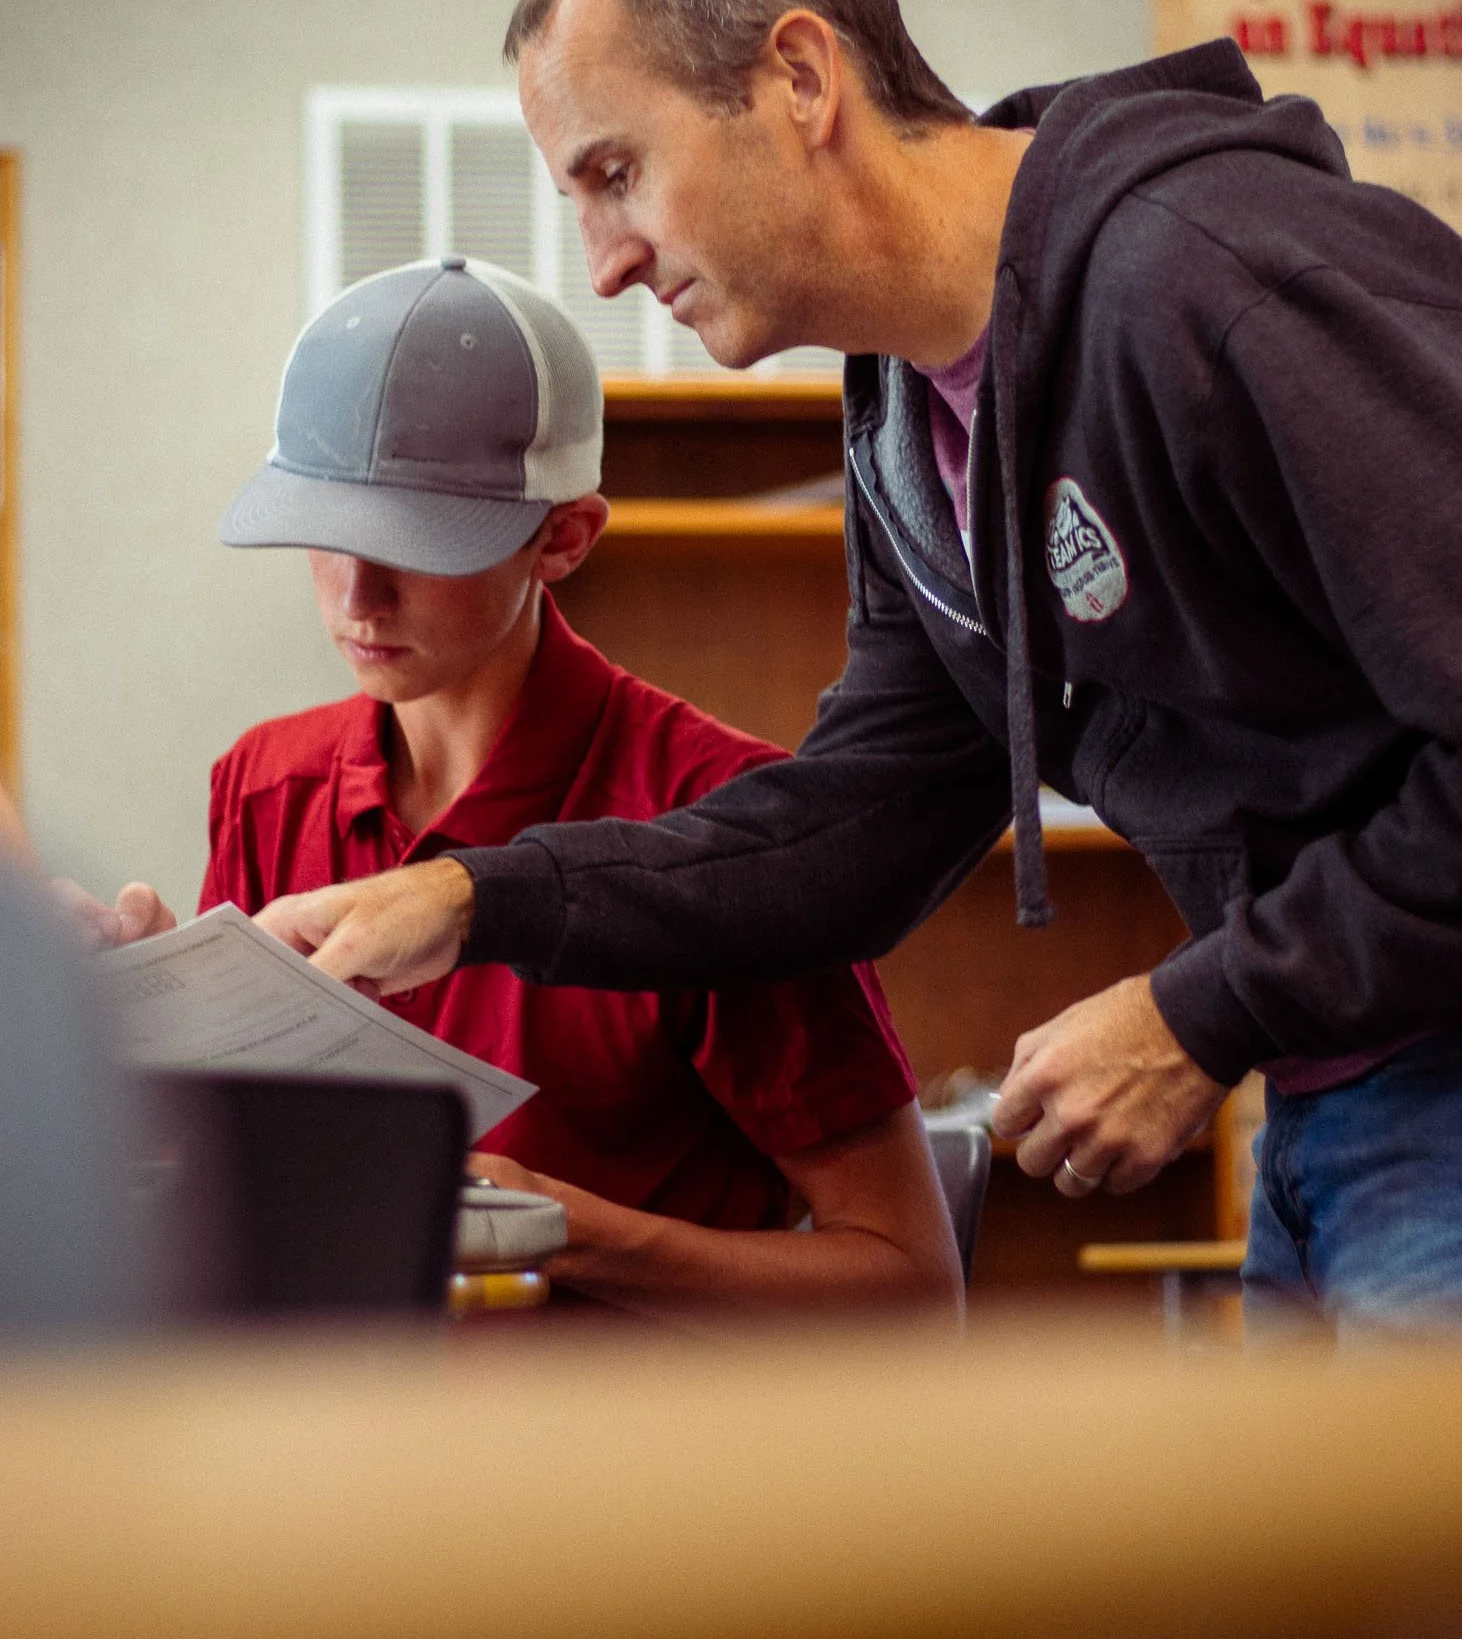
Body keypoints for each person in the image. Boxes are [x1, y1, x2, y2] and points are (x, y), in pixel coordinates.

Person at [257, 0, 1462, 1335]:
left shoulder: (1213, 272)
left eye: (617, 173)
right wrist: (475, 899)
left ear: (799, 76)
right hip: (1339, 1106)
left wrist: (1205, 1008)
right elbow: (855, 833)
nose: (603, 265)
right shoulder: (906, 425)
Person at [124, 253, 961, 1321]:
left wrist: (560, 1230)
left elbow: (912, 1288)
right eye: (325, 532)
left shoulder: (725, 827)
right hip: (341, 1441)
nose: (356, 594)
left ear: (562, 537)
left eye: (413, 541)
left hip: (616, 1464)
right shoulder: (265, 785)